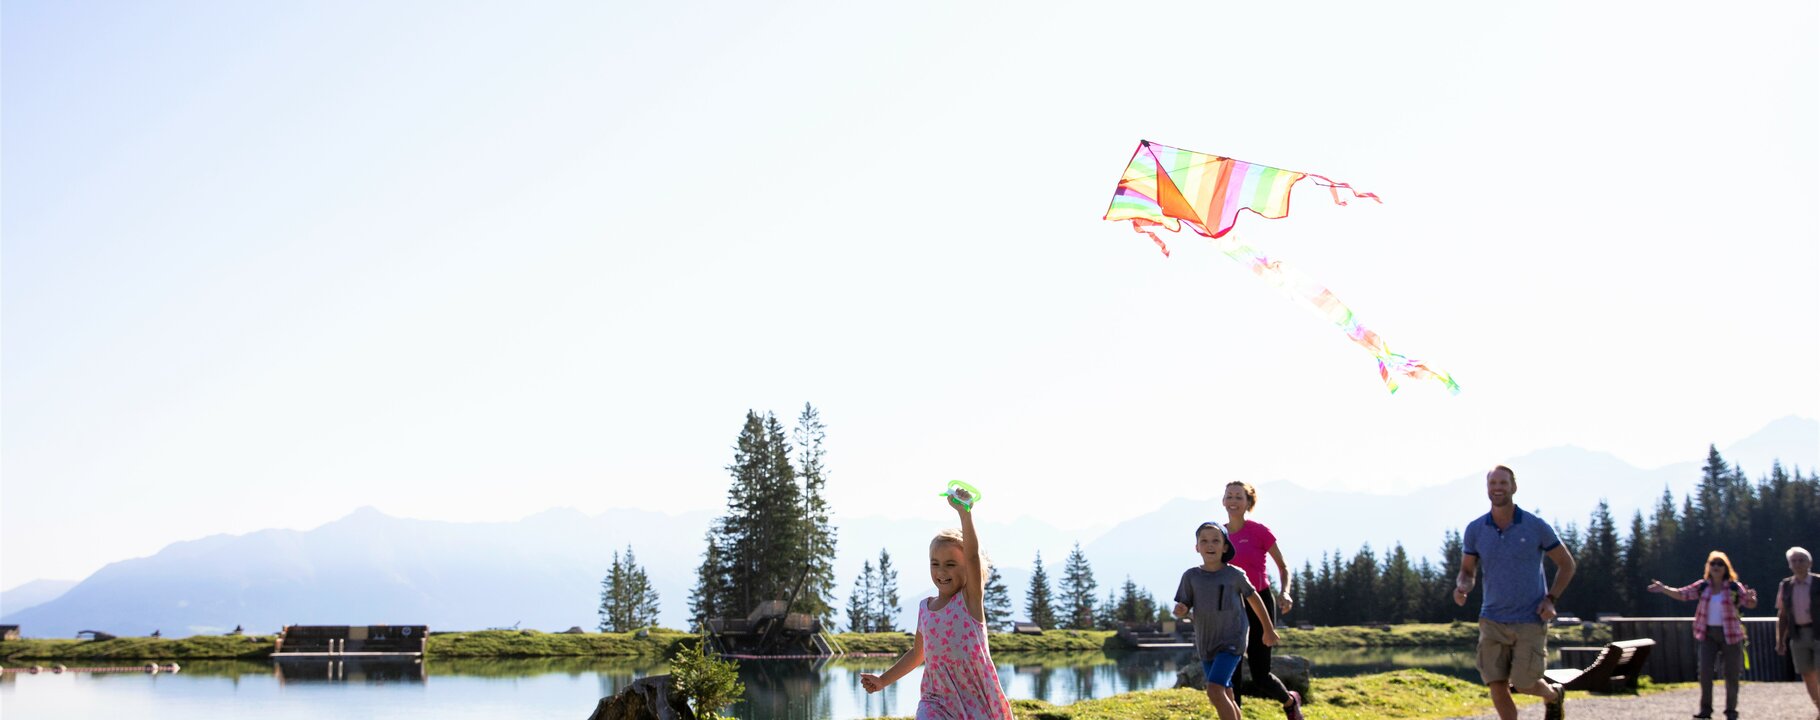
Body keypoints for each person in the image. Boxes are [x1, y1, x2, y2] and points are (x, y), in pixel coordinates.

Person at [860, 488, 1013, 719]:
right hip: (936, 699)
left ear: (968, 569)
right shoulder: (925, 608)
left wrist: (965, 514)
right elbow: (917, 654)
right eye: (935, 564)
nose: (941, 571)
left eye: (951, 564)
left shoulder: (969, 600)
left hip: (974, 700)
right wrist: (883, 680)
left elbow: (972, 556)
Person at [1453, 465, 1575, 720]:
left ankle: (1553, 695)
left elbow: (1567, 564)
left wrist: (1550, 598)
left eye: (1503, 483)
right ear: (1487, 489)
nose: (1497, 488)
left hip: (1530, 619)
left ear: (1513, 487)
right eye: (1492, 483)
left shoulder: (1535, 526)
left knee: (1523, 683)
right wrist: (1463, 586)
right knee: (1496, 685)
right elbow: (1467, 570)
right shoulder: (1475, 529)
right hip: (1492, 619)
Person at [1175, 521, 1280, 720]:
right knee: (1227, 692)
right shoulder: (1190, 576)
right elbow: (1184, 603)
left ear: (1225, 547)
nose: (1210, 545)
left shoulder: (1235, 575)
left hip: (1232, 640)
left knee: (1214, 690)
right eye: (1204, 541)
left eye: (1216, 540)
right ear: (1197, 547)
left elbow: (1255, 599)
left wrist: (1268, 628)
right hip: (1206, 644)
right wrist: (1181, 609)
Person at [1222, 481, 1305, 720]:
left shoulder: (1260, 532)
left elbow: (1283, 567)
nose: (1233, 501)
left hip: (1260, 603)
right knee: (1232, 671)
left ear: (1248, 503)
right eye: (1229, 496)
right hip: (1231, 607)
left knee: (1260, 675)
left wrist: (1285, 592)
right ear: (1223, 501)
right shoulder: (1219, 534)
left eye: (1239, 497)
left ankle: (1290, 701)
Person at [1648, 551, 1758, 720]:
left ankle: (1731, 712)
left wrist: (1752, 599)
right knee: (1705, 673)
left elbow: (1749, 603)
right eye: (1713, 563)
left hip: (1731, 635)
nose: (1716, 567)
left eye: (1720, 564)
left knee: (1732, 674)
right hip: (1707, 634)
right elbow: (1682, 594)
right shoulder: (1703, 586)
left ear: (1726, 568)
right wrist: (1663, 589)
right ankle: (1705, 710)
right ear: (1708, 567)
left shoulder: (1734, 587)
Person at [1775, 546, 1819, 719]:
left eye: (1801, 560)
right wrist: (1780, 641)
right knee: (1807, 674)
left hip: (1819, 633)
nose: (1798, 564)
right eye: (1794, 561)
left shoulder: (1818, 582)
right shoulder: (1785, 586)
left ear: (1810, 563)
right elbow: (1783, 614)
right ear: (1789, 565)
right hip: (1798, 635)